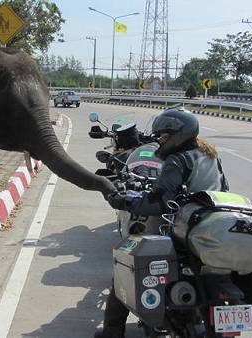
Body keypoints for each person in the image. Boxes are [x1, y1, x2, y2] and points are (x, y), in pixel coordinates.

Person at [95, 107, 229, 338]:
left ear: (179, 134)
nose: (160, 140)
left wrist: (124, 202)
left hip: (183, 228)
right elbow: (224, 188)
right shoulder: (210, 155)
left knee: (124, 270)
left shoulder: (178, 159)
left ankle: (111, 333)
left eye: (164, 136)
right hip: (212, 229)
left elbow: (159, 201)